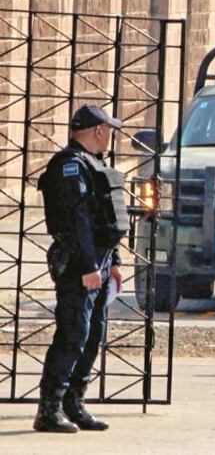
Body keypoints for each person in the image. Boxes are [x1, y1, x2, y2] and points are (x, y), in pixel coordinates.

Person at [34, 105, 128, 433]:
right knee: (74, 333)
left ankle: (75, 403)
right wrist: (89, 266)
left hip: (98, 262)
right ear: (97, 130)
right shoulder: (69, 167)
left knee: (93, 334)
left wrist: (112, 262)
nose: (111, 135)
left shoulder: (94, 165)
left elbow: (103, 220)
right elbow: (78, 222)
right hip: (78, 263)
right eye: (109, 129)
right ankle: (49, 410)